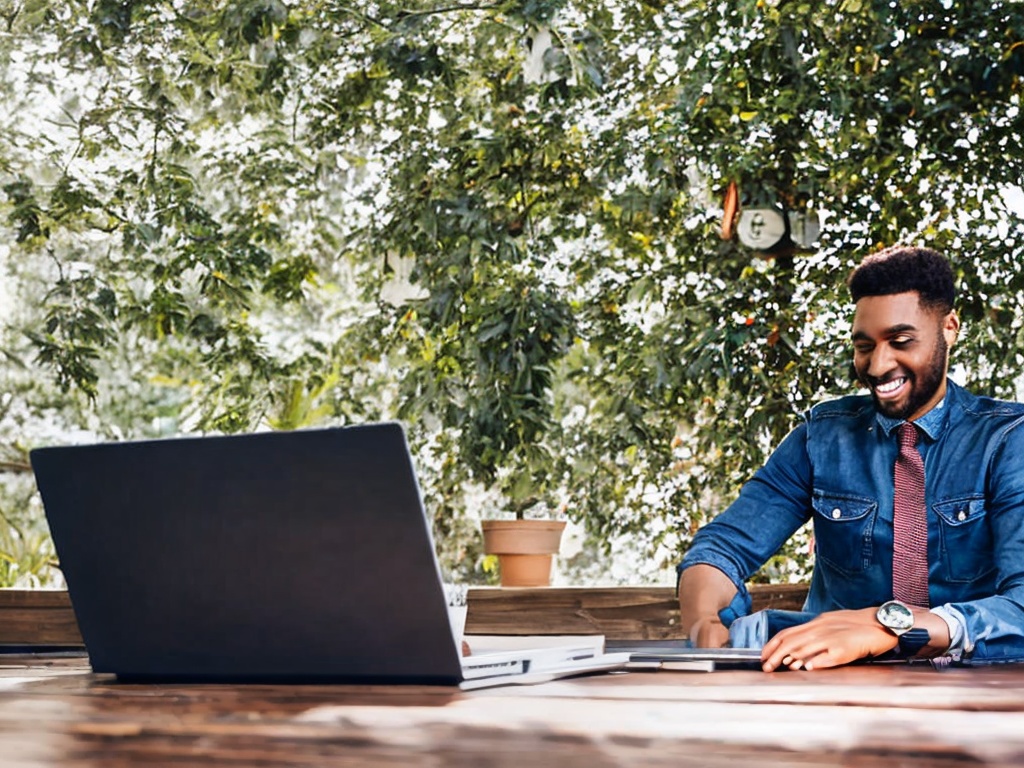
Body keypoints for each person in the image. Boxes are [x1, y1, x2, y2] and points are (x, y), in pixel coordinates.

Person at [677, 245, 1024, 671]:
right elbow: (722, 547)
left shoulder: (1007, 441)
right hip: (828, 686)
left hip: (979, 692)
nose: (878, 366)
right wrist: (703, 623)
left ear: (949, 328)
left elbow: (1020, 605)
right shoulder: (822, 437)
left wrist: (887, 628)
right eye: (864, 346)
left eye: (900, 341)